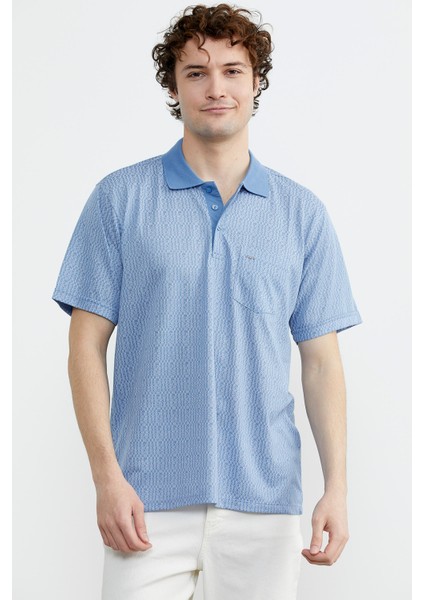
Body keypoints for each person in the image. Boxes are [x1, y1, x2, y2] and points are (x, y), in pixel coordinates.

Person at [52, 4, 362, 599]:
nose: (216, 88)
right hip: (144, 500)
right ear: (173, 86)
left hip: (265, 503)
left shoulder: (302, 214)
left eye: (232, 70)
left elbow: (321, 362)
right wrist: (106, 478)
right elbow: (84, 347)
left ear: (256, 81)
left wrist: (337, 487)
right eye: (196, 72)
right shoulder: (119, 200)